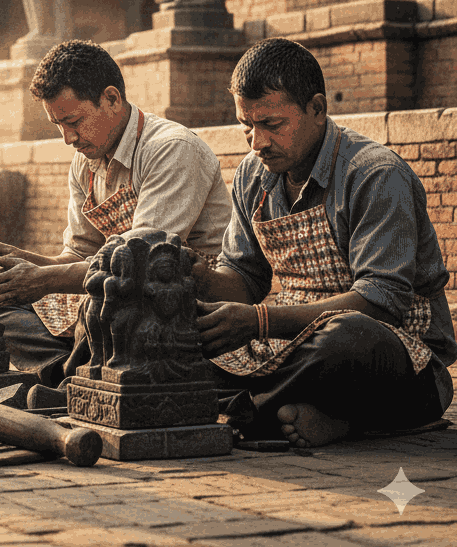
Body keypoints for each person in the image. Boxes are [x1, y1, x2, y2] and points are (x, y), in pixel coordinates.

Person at [195, 38, 456, 447]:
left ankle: (234, 412)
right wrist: (198, 282)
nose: (256, 142)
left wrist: (260, 322)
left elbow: (379, 300)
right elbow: (244, 276)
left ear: (317, 109)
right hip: (292, 345)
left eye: (272, 125)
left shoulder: (375, 175)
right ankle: (321, 416)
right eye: (247, 126)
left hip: (401, 357)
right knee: (181, 330)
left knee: (346, 336)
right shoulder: (252, 175)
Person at [0, 39, 231, 386]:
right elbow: (79, 254)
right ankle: (71, 371)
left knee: (105, 312)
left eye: (74, 121)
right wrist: (30, 265)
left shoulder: (171, 149)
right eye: (58, 125)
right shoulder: (85, 162)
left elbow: (140, 267)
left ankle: (74, 371)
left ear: (111, 99)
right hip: (109, 290)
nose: (68, 137)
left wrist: (43, 280)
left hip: (177, 303)